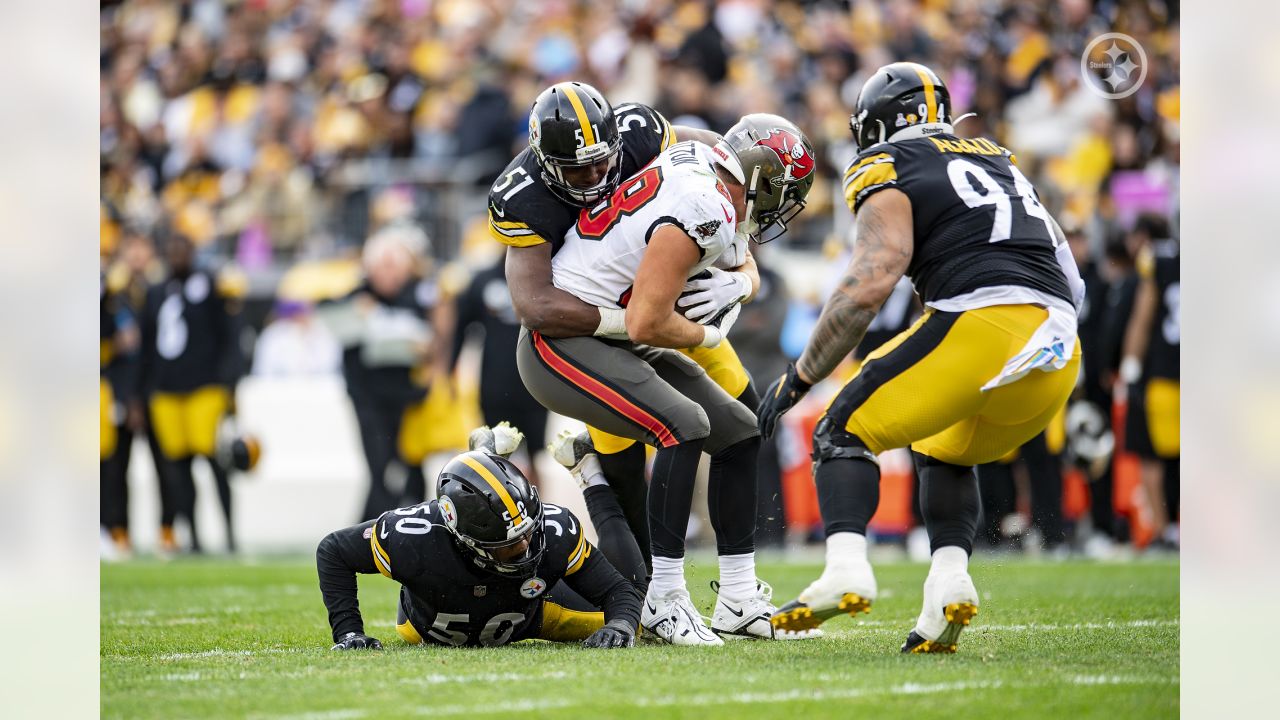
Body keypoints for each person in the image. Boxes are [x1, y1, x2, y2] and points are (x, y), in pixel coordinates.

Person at [756, 62, 1085, 654]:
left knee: (840, 428)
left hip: (981, 322)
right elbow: (1070, 276)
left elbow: (871, 277)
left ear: (881, 123)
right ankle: (948, 582)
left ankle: (846, 567)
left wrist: (803, 375)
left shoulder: (889, 163)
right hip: (1058, 352)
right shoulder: (999, 159)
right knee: (942, 444)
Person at [517, 115, 817, 645]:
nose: (781, 205)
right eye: (781, 191)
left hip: (617, 336)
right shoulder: (706, 207)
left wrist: (737, 285)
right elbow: (647, 322)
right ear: (758, 179)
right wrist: (707, 334)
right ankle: (664, 595)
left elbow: (736, 252)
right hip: (560, 345)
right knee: (685, 423)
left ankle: (738, 599)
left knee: (740, 429)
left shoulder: (708, 171)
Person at [492, 81, 757, 579]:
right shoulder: (522, 195)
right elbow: (534, 305)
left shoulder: (640, 131)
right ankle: (651, 585)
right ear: (545, 162)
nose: (594, 176)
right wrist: (630, 324)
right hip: (593, 328)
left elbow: (728, 174)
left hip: (668, 300)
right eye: (577, 168)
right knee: (629, 452)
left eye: (602, 161)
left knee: (744, 415)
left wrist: (742, 275)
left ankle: (737, 583)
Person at [316, 439, 642, 650]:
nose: (526, 548)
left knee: (640, 616)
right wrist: (349, 633)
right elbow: (333, 550)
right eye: (508, 543)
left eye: (527, 532)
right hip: (424, 624)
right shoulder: (413, 537)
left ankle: (591, 479)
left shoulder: (550, 530)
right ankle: (486, 455)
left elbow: (618, 590)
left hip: (532, 610)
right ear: (464, 538)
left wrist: (621, 623)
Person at [324, 224, 446, 521]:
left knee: (410, 465)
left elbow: (439, 337)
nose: (389, 274)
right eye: (383, 266)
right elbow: (330, 313)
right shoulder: (357, 294)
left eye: (395, 266)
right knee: (379, 466)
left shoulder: (419, 294)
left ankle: (406, 525)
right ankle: (371, 530)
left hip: (410, 395)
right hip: (369, 396)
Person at [140, 233, 247, 553]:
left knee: (215, 463)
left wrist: (229, 383)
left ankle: (229, 535)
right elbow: (146, 345)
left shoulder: (212, 287)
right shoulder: (157, 292)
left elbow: (231, 335)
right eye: (171, 251)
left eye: (182, 250)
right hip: (166, 392)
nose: (176, 257)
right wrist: (141, 392)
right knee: (177, 470)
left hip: (205, 388)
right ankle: (194, 537)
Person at [449, 252, 548, 487]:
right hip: (495, 383)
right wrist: (449, 371)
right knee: (494, 456)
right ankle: (501, 512)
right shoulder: (484, 280)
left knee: (535, 454)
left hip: (536, 384)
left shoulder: (544, 278)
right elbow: (460, 328)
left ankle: (538, 513)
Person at [1120, 221, 1180, 550]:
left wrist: (1132, 364)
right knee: (1155, 454)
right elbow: (1143, 318)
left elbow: (1142, 319)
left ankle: (1165, 529)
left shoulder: (1162, 262)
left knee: (1156, 456)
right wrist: (1131, 365)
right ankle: (1162, 529)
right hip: (1166, 374)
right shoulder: (1161, 262)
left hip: (1167, 373)